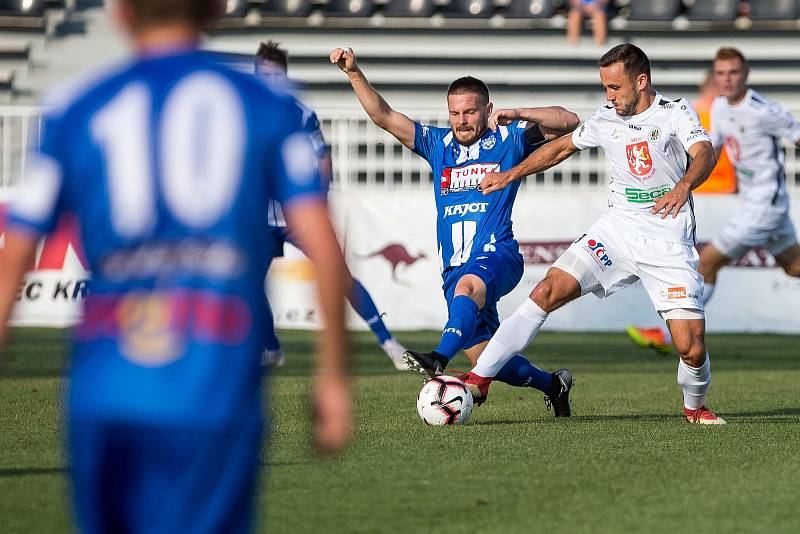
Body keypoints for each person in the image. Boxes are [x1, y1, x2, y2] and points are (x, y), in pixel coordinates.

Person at [0, 1, 351, 532]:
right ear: (214, 10)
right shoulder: (268, 105)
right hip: (212, 385)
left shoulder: (76, 106)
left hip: (106, 388)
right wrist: (331, 378)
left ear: (119, 14)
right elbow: (326, 250)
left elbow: (12, 263)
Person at [463, 43, 726, 425]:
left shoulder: (675, 113)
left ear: (641, 81)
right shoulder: (606, 117)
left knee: (691, 349)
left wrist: (685, 184)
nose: (609, 96)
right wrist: (509, 174)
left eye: (615, 88)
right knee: (546, 291)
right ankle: (478, 379)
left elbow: (704, 153)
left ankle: (694, 406)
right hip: (617, 230)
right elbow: (560, 149)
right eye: (605, 87)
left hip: (667, 238)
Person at [330, 46, 581, 415]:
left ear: (487, 110)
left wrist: (520, 113)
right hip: (455, 269)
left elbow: (569, 121)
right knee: (487, 357)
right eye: (455, 113)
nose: (461, 120)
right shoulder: (438, 144)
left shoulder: (509, 140)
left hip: (498, 253)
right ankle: (553, 384)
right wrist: (353, 73)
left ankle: (437, 358)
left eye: (470, 111)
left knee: (468, 290)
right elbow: (383, 116)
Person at [627, 47, 800, 354]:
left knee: (706, 264)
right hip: (756, 205)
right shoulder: (720, 107)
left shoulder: (763, 110)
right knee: (793, 266)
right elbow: (714, 150)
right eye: (721, 73)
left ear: (745, 74)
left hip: (765, 208)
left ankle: (668, 338)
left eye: (733, 73)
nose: (727, 79)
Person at [255, 41, 409, 371]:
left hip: (298, 213)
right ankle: (269, 348)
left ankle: (389, 343)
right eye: (264, 75)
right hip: (257, 216)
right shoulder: (239, 112)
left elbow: (322, 159)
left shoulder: (299, 113)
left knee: (339, 275)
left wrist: (316, 201)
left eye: (275, 75)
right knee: (250, 284)